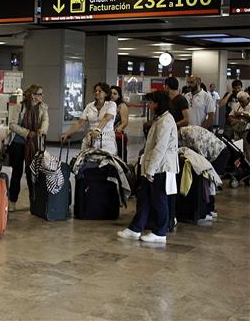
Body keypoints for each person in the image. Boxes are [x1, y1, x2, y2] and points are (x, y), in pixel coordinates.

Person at [118, 91, 178, 243]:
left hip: (161, 168)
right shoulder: (159, 119)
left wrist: (150, 170)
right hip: (152, 166)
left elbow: (160, 147)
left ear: (158, 103)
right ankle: (135, 228)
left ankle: (160, 232)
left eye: (151, 102)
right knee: (144, 198)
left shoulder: (166, 121)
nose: (149, 106)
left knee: (159, 199)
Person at [7, 84, 48, 212]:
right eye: (39, 94)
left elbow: (46, 121)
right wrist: (27, 133)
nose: (41, 96)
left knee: (33, 172)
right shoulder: (20, 106)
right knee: (17, 173)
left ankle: (34, 201)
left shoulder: (43, 108)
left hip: (35, 144)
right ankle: (12, 201)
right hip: (19, 143)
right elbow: (12, 125)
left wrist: (42, 129)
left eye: (41, 94)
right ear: (32, 95)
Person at [61, 82, 117, 155]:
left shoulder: (111, 104)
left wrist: (98, 130)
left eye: (100, 91)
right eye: (95, 91)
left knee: (105, 162)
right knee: (83, 161)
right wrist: (67, 133)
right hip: (90, 138)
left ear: (106, 94)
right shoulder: (89, 106)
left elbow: (106, 118)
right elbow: (80, 122)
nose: (97, 92)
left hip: (106, 139)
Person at [111, 85, 130, 161]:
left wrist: (119, 128)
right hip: (108, 135)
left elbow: (125, 121)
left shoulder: (121, 106)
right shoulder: (108, 105)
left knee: (119, 157)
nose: (112, 95)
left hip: (117, 136)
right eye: (111, 93)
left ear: (119, 96)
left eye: (115, 93)